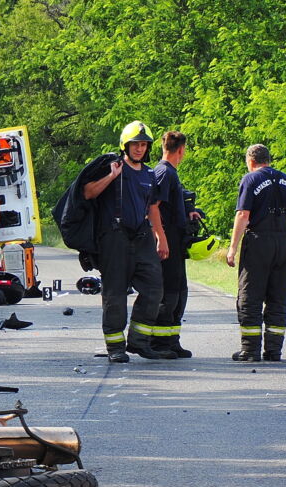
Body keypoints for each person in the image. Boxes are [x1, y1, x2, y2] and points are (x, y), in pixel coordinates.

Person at [81, 120, 175, 362]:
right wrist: (111, 177)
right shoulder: (112, 167)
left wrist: (161, 238)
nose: (140, 149)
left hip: (142, 236)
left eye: (144, 145)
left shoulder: (149, 174)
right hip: (114, 237)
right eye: (135, 144)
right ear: (125, 145)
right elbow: (88, 192)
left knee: (154, 287)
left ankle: (139, 341)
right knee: (115, 293)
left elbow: (153, 207)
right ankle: (115, 347)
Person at [226, 144, 286, 362]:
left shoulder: (250, 179)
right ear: (268, 160)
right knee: (278, 298)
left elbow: (243, 214)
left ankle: (250, 350)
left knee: (250, 297)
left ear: (250, 161)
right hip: (283, 243)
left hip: (259, 242)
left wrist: (232, 248)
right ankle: (274, 351)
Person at [151, 131, 202, 358]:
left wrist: (189, 212)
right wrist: (161, 238)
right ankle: (159, 343)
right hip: (167, 241)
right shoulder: (164, 172)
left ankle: (172, 341)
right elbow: (153, 207)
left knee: (179, 292)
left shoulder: (170, 173)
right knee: (168, 293)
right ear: (181, 150)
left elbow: (170, 204)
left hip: (176, 241)